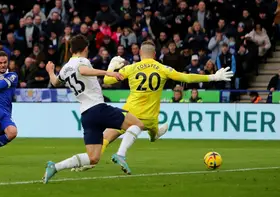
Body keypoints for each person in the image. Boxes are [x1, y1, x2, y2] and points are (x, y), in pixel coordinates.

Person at [74, 40, 233, 172]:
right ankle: (155, 133)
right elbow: (187, 77)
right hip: (150, 117)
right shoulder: (163, 68)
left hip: (128, 114)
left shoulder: (131, 68)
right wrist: (213, 76)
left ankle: (90, 162)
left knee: (105, 139)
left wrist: (111, 66)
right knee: (151, 129)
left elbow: (107, 81)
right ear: (155, 55)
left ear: (141, 54)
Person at [43, 35, 144, 183]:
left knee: (93, 158)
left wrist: (51, 71)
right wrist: (108, 73)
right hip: (99, 108)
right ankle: (121, 154)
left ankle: (55, 167)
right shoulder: (82, 61)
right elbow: (83, 71)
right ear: (85, 49)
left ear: (71, 49)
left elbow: (56, 82)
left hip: (87, 115)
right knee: (138, 124)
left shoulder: (65, 68)